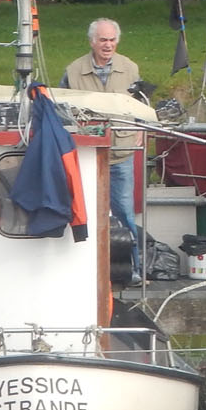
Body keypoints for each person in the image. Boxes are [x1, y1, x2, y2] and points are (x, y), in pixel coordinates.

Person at [61, 18, 144, 279]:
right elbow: (62, 110)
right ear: (92, 42)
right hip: (86, 155)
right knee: (83, 212)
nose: (108, 45)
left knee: (125, 213)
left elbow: (142, 104)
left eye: (112, 40)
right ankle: (85, 268)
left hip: (121, 153)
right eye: (102, 40)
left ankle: (135, 268)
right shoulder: (73, 70)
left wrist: (141, 129)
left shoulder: (130, 68)